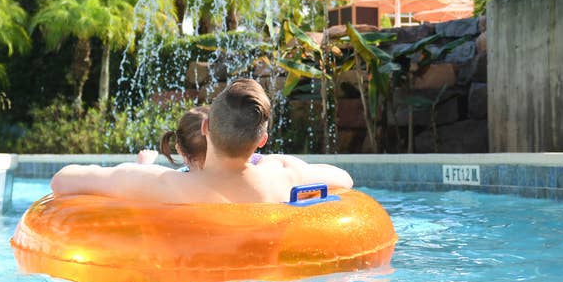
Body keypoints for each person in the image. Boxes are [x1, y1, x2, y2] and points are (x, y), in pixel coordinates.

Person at [52, 79, 353, 204]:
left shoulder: (165, 184)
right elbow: (345, 179)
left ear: (206, 127)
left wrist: (139, 168)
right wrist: (280, 164)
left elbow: (62, 181)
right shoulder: (284, 174)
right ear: (262, 140)